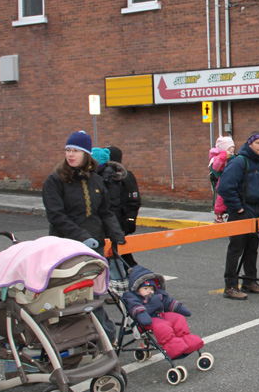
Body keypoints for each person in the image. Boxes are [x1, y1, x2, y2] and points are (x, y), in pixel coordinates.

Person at [42, 131, 125, 339]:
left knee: (94, 294)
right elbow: (56, 215)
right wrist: (80, 236)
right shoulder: (55, 180)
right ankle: (81, 337)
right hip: (67, 246)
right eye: (68, 150)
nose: (71, 154)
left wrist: (116, 234)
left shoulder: (95, 181)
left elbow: (104, 212)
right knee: (72, 296)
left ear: (86, 154)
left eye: (76, 151)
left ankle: (102, 338)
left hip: (93, 246)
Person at [217, 132, 259, 300]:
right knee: (236, 250)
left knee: (252, 249)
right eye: (257, 143)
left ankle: (250, 281)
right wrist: (238, 208)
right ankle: (230, 286)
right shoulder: (238, 162)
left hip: (258, 213)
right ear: (249, 145)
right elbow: (225, 187)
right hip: (241, 213)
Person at [122, 265, 204, 359]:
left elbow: (168, 302)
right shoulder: (133, 297)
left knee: (178, 318)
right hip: (145, 320)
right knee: (162, 326)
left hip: (159, 315)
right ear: (137, 289)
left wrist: (180, 308)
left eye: (151, 289)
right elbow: (136, 308)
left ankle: (185, 339)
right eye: (145, 289)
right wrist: (143, 316)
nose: (149, 291)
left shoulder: (157, 295)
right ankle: (172, 346)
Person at [102, 145, 142, 266]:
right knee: (116, 254)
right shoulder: (103, 175)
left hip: (120, 221)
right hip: (108, 221)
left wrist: (130, 220)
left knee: (122, 254)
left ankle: (134, 274)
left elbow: (134, 201)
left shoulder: (125, 176)